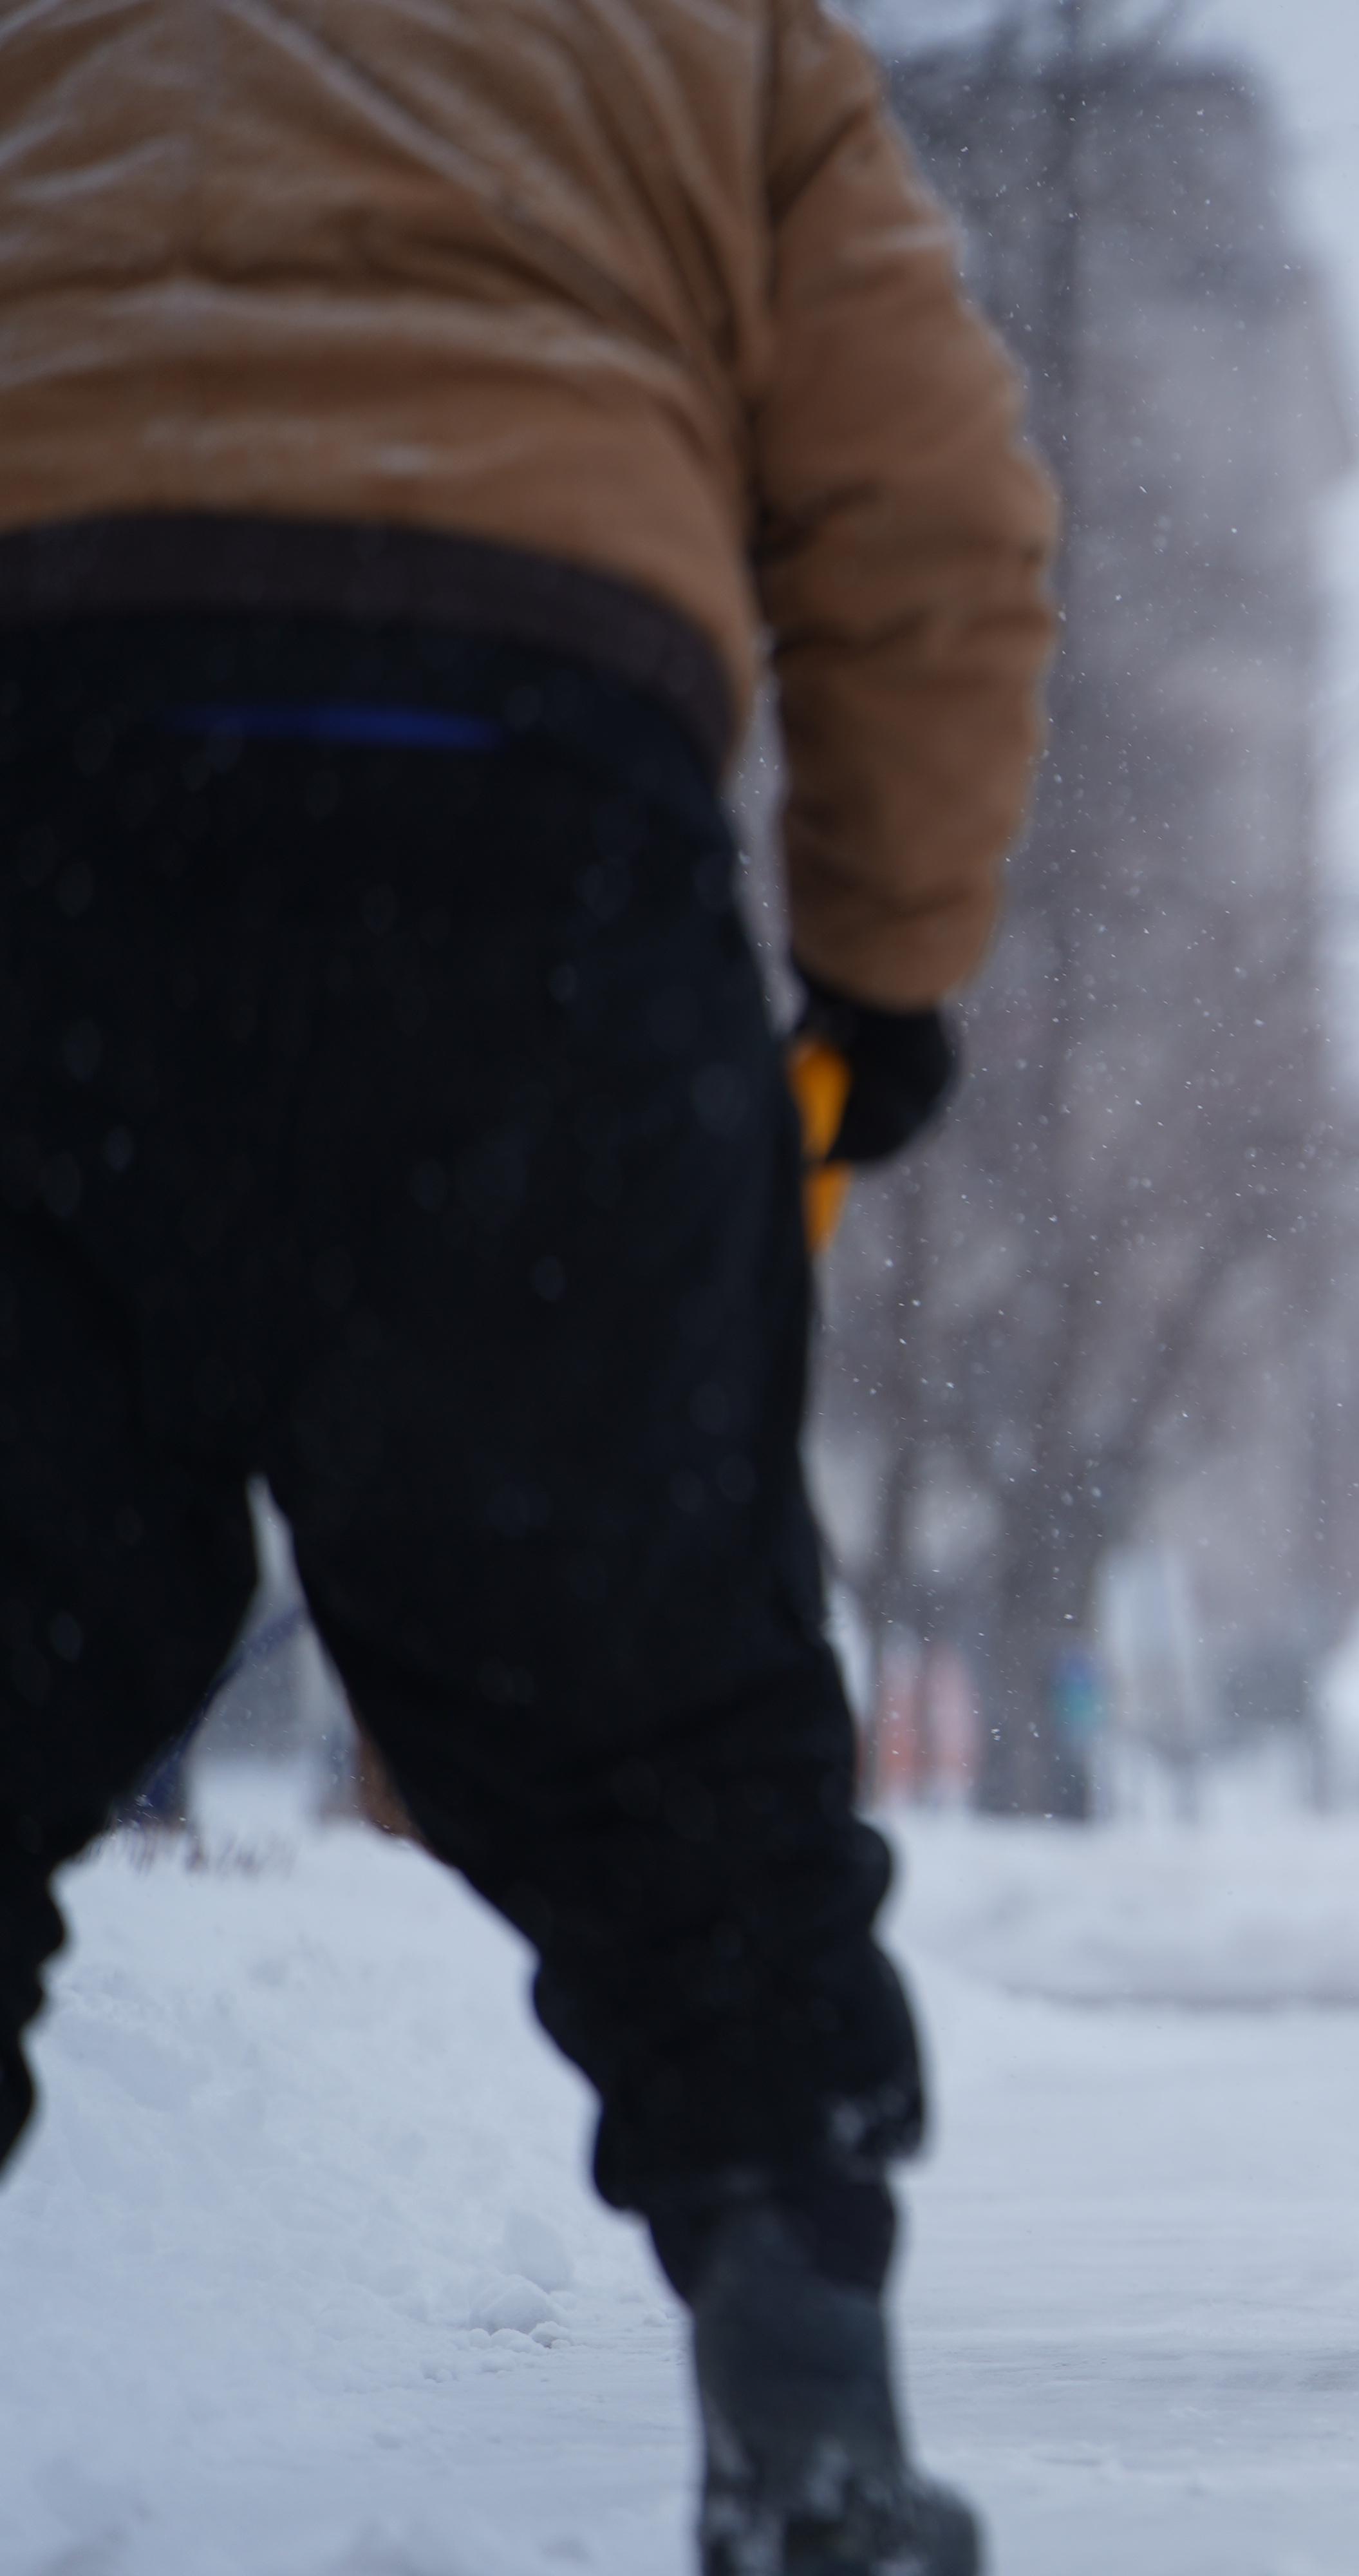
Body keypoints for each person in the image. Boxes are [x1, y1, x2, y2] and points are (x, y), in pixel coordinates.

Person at [0, 2, 1054, 2568]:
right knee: (662, 1689)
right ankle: (801, 2403)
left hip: (40, 757)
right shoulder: (726, 37)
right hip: (518, 803)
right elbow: (930, 516)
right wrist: (884, 976)